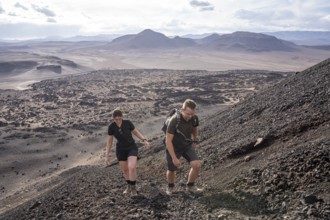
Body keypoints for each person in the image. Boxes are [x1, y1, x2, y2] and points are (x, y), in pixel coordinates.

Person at [105, 109, 150, 196]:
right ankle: (129, 186)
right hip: (120, 150)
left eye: (119, 119)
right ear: (113, 119)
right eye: (116, 119)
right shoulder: (111, 127)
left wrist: (144, 140)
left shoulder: (127, 123)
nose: (118, 121)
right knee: (125, 170)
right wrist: (107, 156)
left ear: (122, 117)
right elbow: (109, 142)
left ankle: (133, 189)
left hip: (131, 147)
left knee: (132, 167)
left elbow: (135, 132)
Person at [165, 99, 202, 195]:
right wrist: (174, 158)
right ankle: (171, 187)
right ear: (182, 109)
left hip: (186, 145)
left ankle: (190, 186)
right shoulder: (174, 121)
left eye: (192, 114)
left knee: (197, 165)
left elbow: (195, 128)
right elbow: (168, 140)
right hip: (174, 146)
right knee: (172, 169)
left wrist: (194, 139)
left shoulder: (194, 118)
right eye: (188, 113)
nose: (190, 116)